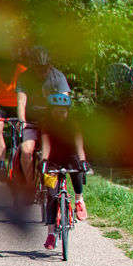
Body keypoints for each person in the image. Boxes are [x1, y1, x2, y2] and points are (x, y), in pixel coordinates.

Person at [38, 91, 89, 251]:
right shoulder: (46, 125)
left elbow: (79, 146)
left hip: (70, 157)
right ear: (51, 112)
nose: (60, 115)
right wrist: (44, 162)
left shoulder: (74, 125)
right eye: (56, 112)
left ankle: (79, 200)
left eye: (63, 112)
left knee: (77, 171)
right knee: (52, 195)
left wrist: (83, 161)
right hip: (52, 159)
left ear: (68, 112)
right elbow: (46, 145)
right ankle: (51, 234)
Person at [15, 46, 70, 186]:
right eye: (39, 68)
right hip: (31, 120)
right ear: (32, 66)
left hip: (51, 120)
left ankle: (55, 185)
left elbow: (64, 102)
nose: (42, 71)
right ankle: (30, 185)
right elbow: (21, 102)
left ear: (50, 65)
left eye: (45, 68)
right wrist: (22, 121)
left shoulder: (58, 77)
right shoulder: (24, 77)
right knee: (26, 151)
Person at [0, 57, 27, 174]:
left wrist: (22, 118)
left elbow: (22, 99)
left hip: (19, 105)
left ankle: (22, 165)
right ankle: (2, 166)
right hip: (1, 105)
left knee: (22, 128)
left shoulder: (22, 71)